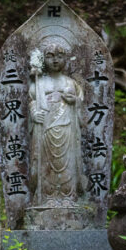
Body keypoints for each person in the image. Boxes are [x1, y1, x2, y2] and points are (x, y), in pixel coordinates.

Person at [29, 39, 83, 205]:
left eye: (59, 56)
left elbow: (80, 101)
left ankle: (68, 197)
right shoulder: (39, 83)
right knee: (46, 163)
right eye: (50, 56)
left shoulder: (71, 82)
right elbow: (32, 101)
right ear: (44, 59)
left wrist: (74, 101)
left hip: (67, 126)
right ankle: (47, 198)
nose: (55, 60)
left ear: (66, 59)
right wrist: (34, 114)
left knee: (67, 163)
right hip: (45, 127)